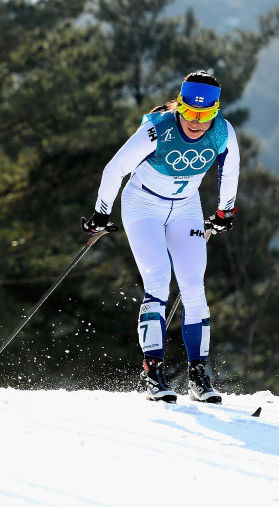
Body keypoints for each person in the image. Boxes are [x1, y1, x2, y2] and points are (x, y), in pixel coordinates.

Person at [82, 70, 240, 403]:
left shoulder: (223, 132)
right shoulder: (156, 130)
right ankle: (153, 372)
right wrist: (101, 213)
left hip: (186, 208)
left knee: (194, 286)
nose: (196, 122)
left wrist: (225, 212)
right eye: (190, 113)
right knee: (158, 280)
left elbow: (231, 169)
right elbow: (115, 169)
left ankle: (198, 375)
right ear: (179, 106)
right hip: (143, 205)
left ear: (215, 111)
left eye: (205, 115)